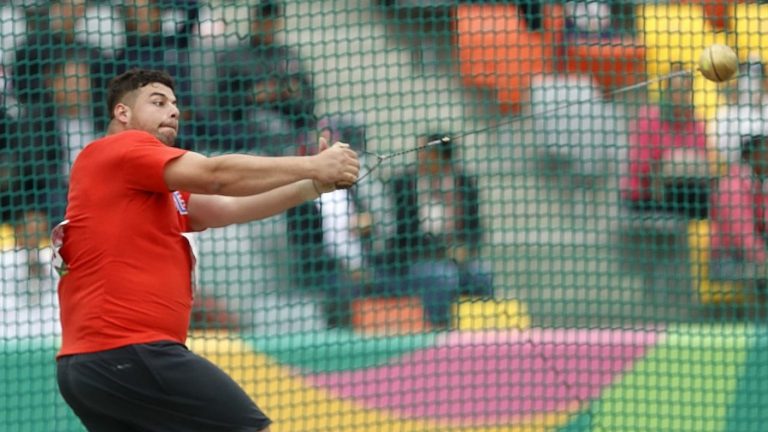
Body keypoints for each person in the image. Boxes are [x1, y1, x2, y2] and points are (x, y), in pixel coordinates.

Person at [54, 68, 359, 431]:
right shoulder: (122, 149)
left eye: (175, 104)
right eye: (158, 102)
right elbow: (217, 174)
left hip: (92, 366)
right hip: (131, 349)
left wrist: (312, 186)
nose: (173, 111)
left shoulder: (143, 182)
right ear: (122, 113)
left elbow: (226, 208)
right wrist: (313, 163)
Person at [618, 63, 713, 307]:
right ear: (667, 92)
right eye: (677, 90)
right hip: (646, 199)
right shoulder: (649, 119)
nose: (682, 97)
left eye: (686, 90)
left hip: (684, 197)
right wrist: (669, 167)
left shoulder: (696, 123)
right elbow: (641, 168)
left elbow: (704, 164)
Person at [286, 114, 394, 328]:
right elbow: (304, 248)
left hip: (368, 267)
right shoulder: (301, 196)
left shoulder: (352, 188)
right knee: (342, 290)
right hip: (328, 272)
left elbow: (384, 230)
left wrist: (368, 225)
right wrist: (343, 268)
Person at [387, 133, 494, 328]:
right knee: (441, 276)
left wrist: (465, 248)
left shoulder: (464, 183)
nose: (420, 157)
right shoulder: (403, 184)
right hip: (418, 258)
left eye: (427, 153)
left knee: (481, 273)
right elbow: (400, 235)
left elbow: (475, 228)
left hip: (459, 258)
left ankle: (482, 335)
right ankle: (440, 332)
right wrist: (442, 251)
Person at [209, 0, 315, 155]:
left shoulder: (289, 56)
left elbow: (309, 101)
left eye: (272, 21)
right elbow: (219, 101)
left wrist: (290, 94)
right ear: (255, 22)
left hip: (290, 120)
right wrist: (252, 95)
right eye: (264, 21)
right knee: (271, 125)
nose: (268, 27)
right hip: (247, 125)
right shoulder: (234, 56)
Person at [709, 132, 768, 301]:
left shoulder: (757, 183)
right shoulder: (732, 186)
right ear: (753, 154)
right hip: (729, 262)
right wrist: (764, 259)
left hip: (752, 258)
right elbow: (744, 237)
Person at [714, 54, 768, 164]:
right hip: (737, 174)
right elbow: (721, 156)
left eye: (757, 77)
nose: (752, 84)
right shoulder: (726, 114)